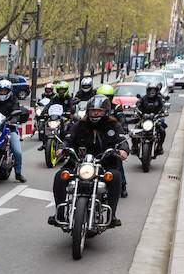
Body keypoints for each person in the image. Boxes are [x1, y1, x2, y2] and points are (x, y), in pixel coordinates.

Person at [49, 95, 129, 228]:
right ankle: (60, 213)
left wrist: (123, 150)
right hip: (78, 163)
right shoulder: (79, 125)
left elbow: (122, 141)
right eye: (92, 110)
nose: (95, 113)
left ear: (106, 112)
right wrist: (62, 148)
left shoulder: (113, 126)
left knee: (115, 177)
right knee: (60, 176)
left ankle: (111, 215)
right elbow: (68, 139)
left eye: (99, 110)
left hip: (105, 163)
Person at [136, 82, 167, 156]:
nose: (152, 92)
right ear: (148, 90)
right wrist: (137, 110)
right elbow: (138, 105)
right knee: (135, 130)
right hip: (144, 119)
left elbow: (163, 107)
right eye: (151, 90)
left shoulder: (159, 99)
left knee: (162, 130)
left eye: (154, 90)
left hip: (155, 119)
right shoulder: (144, 98)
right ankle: (134, 147)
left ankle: (159, 146)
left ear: (157, 91)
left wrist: (163, 112)